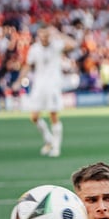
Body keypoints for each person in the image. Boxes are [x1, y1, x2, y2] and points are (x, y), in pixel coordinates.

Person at [23, 26, 76, 158]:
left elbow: (73, 44)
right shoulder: (34, 49)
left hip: (53, 85)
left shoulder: (56, 45)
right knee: (34, 117)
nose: (44, 38)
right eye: (42, 35)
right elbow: (28, 65)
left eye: (46, 35)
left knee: (53, 115)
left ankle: (56, 147)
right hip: (38, 86)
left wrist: (58, 33)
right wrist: (19, 80)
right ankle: (49, 139)